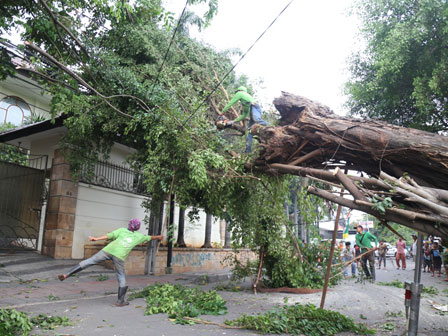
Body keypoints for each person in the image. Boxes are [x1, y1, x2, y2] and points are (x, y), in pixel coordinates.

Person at [58, 218, 163, 306]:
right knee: (121, 275)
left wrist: (96, 238)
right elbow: (150, 238)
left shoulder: (122, 230)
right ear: (138, 228)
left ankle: (66, 274)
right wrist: (159, 237)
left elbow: (109, 235)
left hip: (108, 250)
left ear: (129, 225)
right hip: (119, 256)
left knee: (90, 261)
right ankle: (120, 301)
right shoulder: (139, 236)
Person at [222, 86, 269, 152]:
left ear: (239, 90)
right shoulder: (245, 103)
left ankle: (273, 126)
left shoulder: (240, 93)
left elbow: (231, 103)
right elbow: (243, 115)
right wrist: (233, 121)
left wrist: (222, 112)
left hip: (254, 107)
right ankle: (247, 151)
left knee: (257, 120)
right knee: (249, 132)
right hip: (255, 109)